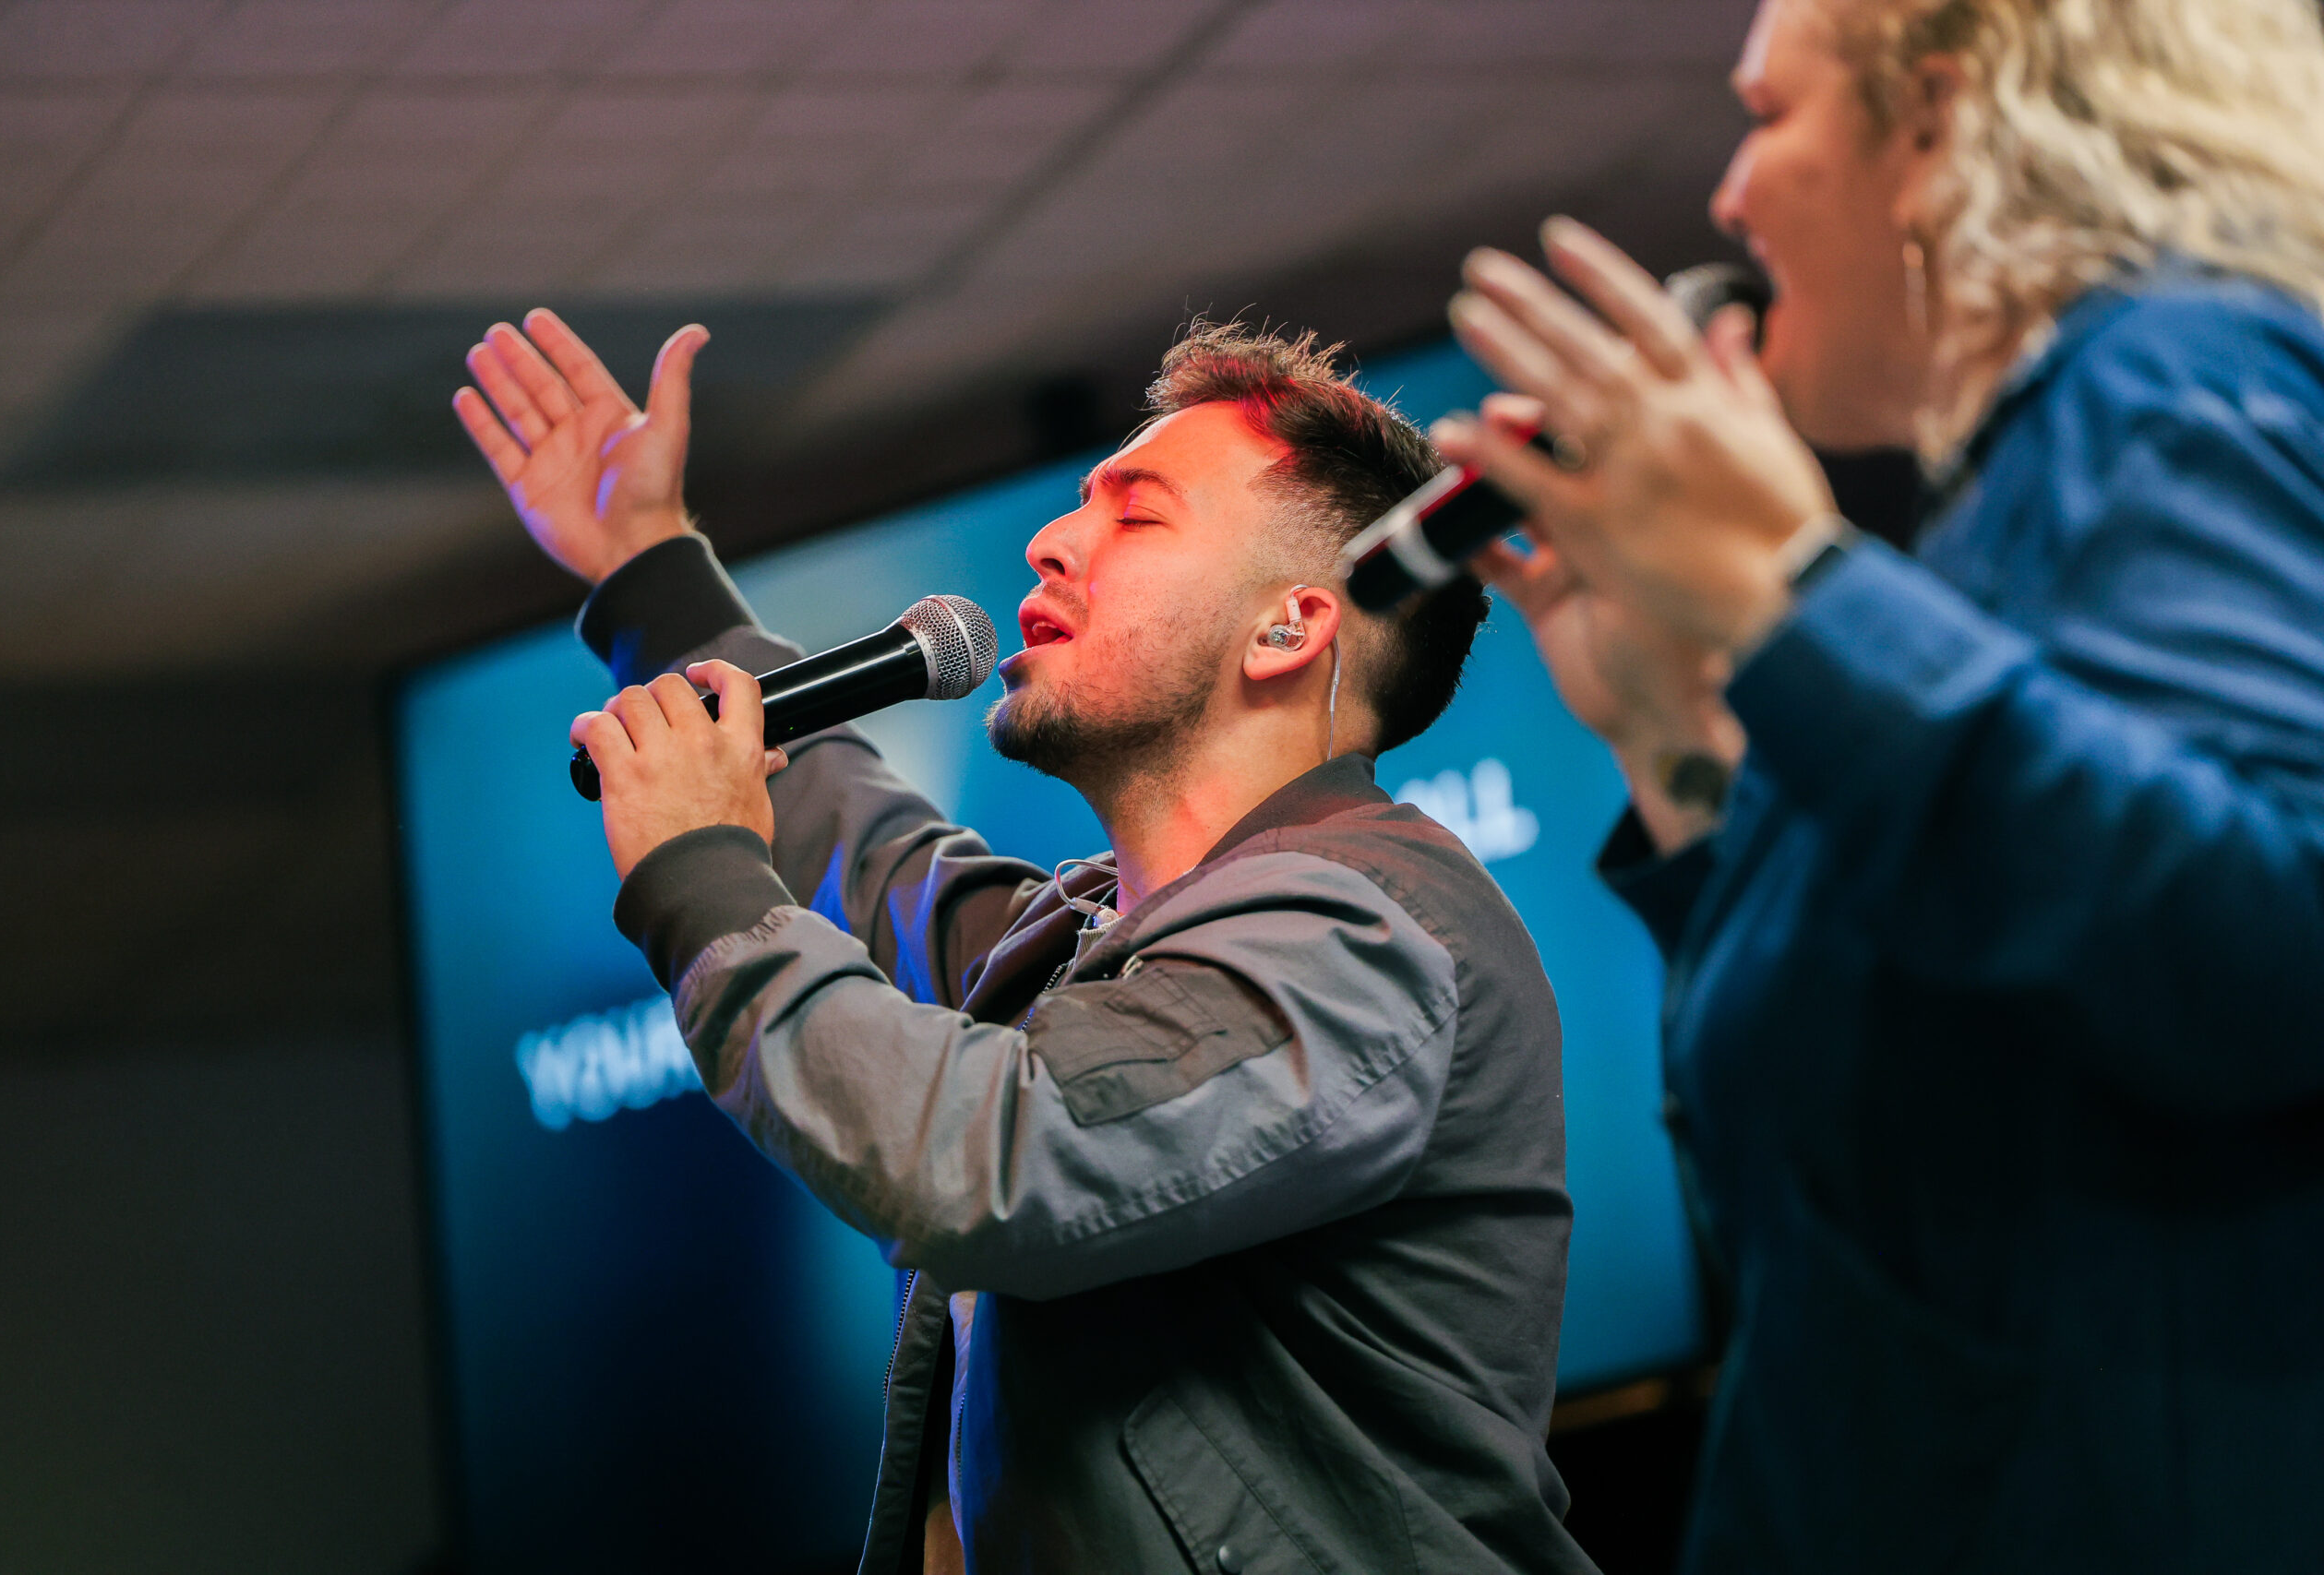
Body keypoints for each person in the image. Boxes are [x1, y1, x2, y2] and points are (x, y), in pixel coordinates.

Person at [454, 316, 1601, 1574]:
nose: (1051, 542)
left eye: (1138, 515)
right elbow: (852, 833)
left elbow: (986, 1155)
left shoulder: (1367, 931)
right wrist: (643, 559)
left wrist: (697, 876)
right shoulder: (1082, 957)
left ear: (1290, 629)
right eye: (1079, 507)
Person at [1433, 0, 2324, 1570]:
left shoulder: (2161, 377)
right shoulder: (2033, 475)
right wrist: (1686, 730)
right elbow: (1875, 1168)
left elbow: (2275, 943)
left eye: (1770, 114)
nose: (1728, 196)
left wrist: (1792, 588)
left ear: (1936, 123)